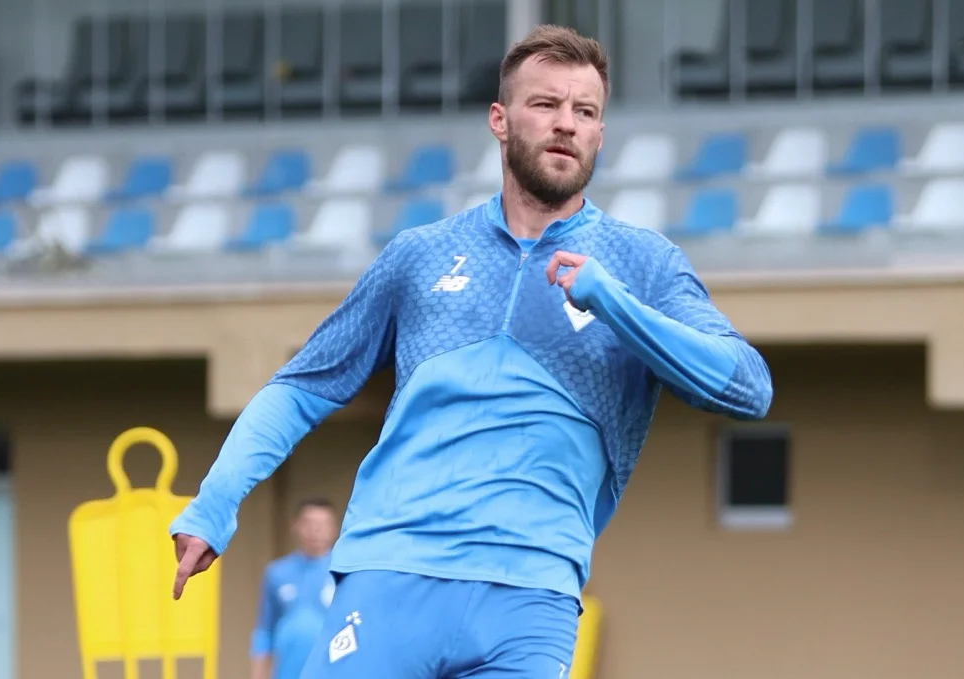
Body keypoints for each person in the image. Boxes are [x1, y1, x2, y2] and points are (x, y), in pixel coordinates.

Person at [168, 23, 773, 679]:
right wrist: (217, 499)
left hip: (531, 598)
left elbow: (747, 387)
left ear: (600, 133)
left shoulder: (642, 263)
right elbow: (301, 387)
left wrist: (615, 304)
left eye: (585, 111)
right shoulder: (418, 253)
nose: (566, 123)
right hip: (389, 574)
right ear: (499, 119)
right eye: (545, 104)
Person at [249, 498, 340, 679]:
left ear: (334, 528)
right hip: (287, 671)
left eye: (323, 524)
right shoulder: (277, 572)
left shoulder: (344, 572)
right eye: (309, 523)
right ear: (295, 525)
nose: (315, 530)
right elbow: (265, 630)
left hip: (333, 670)